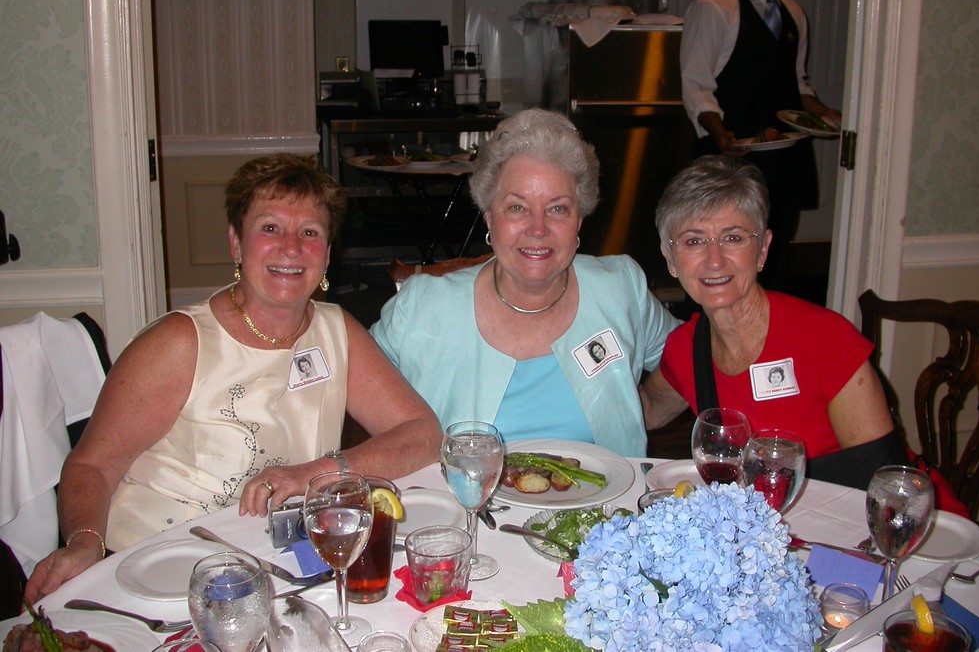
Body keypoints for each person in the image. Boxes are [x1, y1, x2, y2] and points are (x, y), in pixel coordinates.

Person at [25, 153, 441, 604]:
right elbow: (91, 465)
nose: (291, 247)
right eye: (270, 228)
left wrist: (319, 472)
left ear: (327, 253)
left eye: (310, 232)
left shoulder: (337, 331)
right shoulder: (180, 342)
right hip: (157, 567)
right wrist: (84, 541)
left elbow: (422, 434)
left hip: (272, 565)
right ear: (236, 244)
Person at [371, 109, 679, 457]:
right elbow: (348, 379)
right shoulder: (424, 308)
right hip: (468, 494)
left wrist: (647, 409)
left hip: (610, 494)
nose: (537, 228)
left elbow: (694, 353)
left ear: (579, 219)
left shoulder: (620, 289)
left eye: (558, 209)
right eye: (517, 208)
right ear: (490, 217)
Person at [640, 155, 908, 489]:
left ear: (763, 249)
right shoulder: (685, 347)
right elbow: (647, 409)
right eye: (693, 241)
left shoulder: (825, 339)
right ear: (670, 258)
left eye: (733, 238)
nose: (714, 260)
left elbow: (883, 482)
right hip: (767, 517)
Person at [679, 0, 841, 290]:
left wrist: (824, 114)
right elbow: (695, 84)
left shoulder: (794, 13)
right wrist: (719, 132)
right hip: (731, 158)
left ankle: (770, 323)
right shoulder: (715, 6)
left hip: (783, 159)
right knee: (721, 256)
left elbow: (797, 83)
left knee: (775, 252)